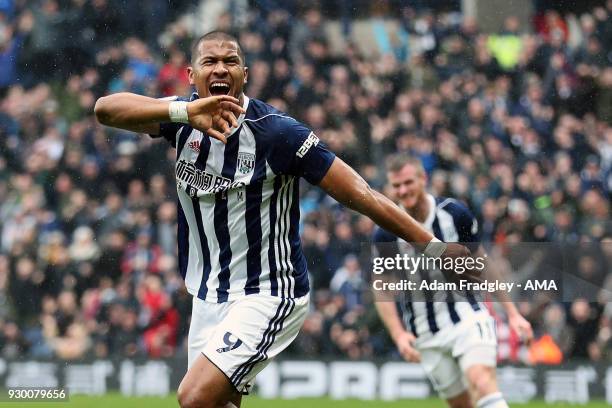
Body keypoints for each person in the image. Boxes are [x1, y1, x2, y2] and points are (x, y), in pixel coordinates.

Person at [94, 31, 470, 408]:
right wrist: (182, 111)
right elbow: (105, 110)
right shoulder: (181, 117)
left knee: (194, 397)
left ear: (245, 73)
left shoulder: (278, 133)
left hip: (269, 292)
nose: (220, 68)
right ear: (191, 75)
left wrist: (433, 246)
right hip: (208, 295)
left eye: (230, 61)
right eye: (210, 62)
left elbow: (363, 195)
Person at [373, 154, 534, 408]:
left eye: (408, 182)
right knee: (462, 405)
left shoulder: (454, 214)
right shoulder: (385, 231)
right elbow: (381, 285)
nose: (403, 190)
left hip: (466, 314)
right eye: (396, 186)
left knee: (481, 381)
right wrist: (399, 334)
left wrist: (513, 313)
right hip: (425, 330)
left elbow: (483, 265)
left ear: (423, 178)